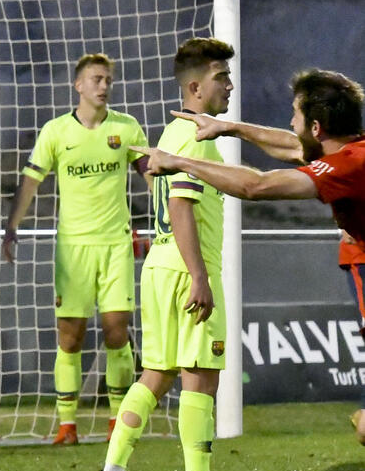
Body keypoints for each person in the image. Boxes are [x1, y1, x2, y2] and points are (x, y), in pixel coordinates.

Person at [137, 67, 365, 448]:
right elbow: (291, 147)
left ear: (316, 128)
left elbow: (256, 186)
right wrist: (228, 128)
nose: (289, 124)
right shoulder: (348, 150)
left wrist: (182, 163)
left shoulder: (350, 164)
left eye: (295, 116)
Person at [91, 37, 255, 471]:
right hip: (187, 269)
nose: (230, 85)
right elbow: (181, 205)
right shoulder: (193, 138)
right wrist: (200, 277)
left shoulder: (170, 134)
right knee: (201, 376)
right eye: (221, 77)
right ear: (195, 88)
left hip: (161, 267)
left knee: (156, 375)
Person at [2, 53, 150, 445]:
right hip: (73, 249)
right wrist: (11, 226)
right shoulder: (56, 131)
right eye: (96, 79)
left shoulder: (127, 127)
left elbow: (150, 174)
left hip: (116, 245)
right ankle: (67, 424)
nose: (103, 86)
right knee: (70, 337)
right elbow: (31, 181)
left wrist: (169, 215)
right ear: (78, 85)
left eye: (108, 80)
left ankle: (118, 422)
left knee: (117, 330)